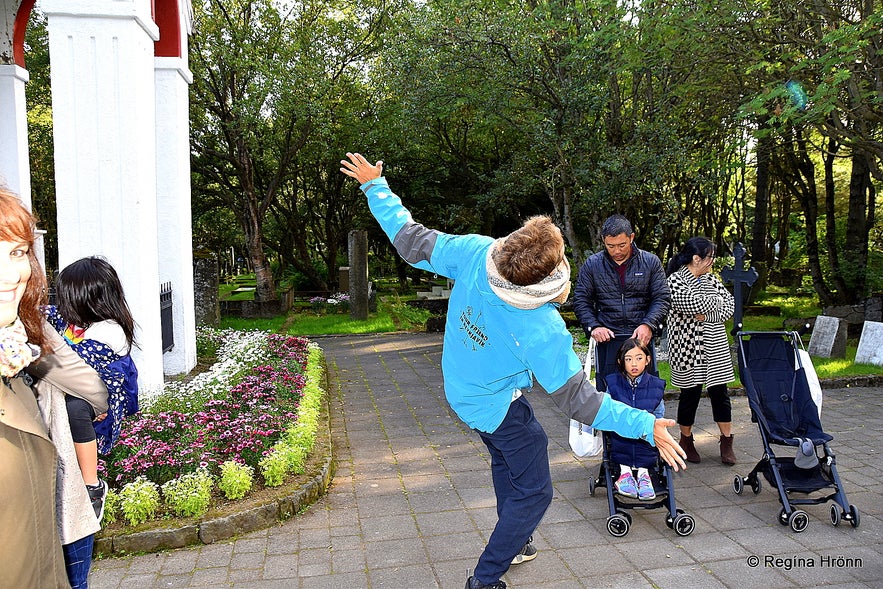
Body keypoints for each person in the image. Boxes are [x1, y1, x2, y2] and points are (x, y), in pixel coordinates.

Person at [340, 153, 686, 589]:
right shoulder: (541, 329)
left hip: (464, 386)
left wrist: (376, 185)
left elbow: (410, 239)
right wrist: (644, 423)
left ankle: (516, 540)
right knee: (536, 489)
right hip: (490, 403)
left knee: (512, 455)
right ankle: (484, 579)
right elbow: (581, 403)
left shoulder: (474, 251)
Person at [0, 186, 106, 588]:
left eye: (17, 252)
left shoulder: (22, 338)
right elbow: (92, 389)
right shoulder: (29, 336)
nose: (12, 274)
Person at [45, 256, 139, 522]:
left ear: (87, 300)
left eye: (67, 299)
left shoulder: (109, 331)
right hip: (86, 386)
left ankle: (92, 485)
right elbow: (51, 315)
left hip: (106, 396)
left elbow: (72, 361)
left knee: (75, 410)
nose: (62, 305)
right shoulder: (83, 323)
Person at [572, 214, 671, 393]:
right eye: (610, 246)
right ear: (603, 241)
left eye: (622, 245)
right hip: (608, 340)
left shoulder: (650, 262)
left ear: (631, 237)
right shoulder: (592, 265)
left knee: (646, 397)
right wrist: (593, 326)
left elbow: (662, 297)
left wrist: (648, 324)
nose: (616, 251)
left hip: (641, 339)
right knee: (609, 398)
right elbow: (580, 299)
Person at [665, 236, 736, 465]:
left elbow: (729, 307)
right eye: (710, 257)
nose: (713, 262)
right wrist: (713, 305)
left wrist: (708, 315)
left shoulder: (712, 280)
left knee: (720, 394)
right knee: (690, 395)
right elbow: (690, 304)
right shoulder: (675, 281)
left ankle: (726, 441)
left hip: (715, 347)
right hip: (687, 347)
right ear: (697, 258)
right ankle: (686, 439)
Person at [606, 338, 666, 501]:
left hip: (645, 437)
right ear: (620, 361)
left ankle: (643, 474)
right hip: (621, 436)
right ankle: (625, 473)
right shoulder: (613, 384)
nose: (634, 364)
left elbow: (659, 413)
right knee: (621, 434)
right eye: (628, 359)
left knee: (649, 436)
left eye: (639, 358)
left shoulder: (656, 386)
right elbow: (607, 411)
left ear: (647, 360)